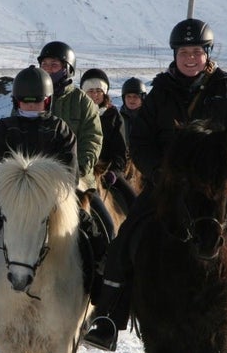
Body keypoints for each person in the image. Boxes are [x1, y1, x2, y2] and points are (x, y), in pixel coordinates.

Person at [82, 18, 227, 351]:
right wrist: (159, 171)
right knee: (126, 238)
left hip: (219, 191)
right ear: (174, 54)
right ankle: (109, 318)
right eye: (184, 52)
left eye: (196, 52)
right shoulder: (159, 94)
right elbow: (141, 141)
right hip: (167, 188)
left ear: (207, 54)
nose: (190, 58)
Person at [0, 65, 80, 307]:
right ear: (16, 101)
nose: (31, 107)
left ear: (48, 101)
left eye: (37, 102)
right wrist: (19, 189)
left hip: (51, 205)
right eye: (25, 102)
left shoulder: (61, 130)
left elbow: (70, 178)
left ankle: (102, 289)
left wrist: (42, 191)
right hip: (11, 201)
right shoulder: (4, 129)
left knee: (92, 231)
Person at [36, 41, 114, 240]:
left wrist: (77, 169)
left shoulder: (83, 103)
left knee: (106, 229)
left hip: (74, 181)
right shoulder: (30, 97)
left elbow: (92, 139)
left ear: (67, 69)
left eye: (54, 65)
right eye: (44, 65)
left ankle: (106, 267)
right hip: (34, 179)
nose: (48, 70)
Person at [79, 67, 136, 211]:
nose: (95, 95)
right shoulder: (78, 114)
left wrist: (114, 170)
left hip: (108, 170)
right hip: (82, 170)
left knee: (133, 200)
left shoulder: (113, 116)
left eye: (99, 91)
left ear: (105, 93)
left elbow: (121, 149)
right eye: (90, 91)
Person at [119, 77, 147, 142]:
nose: (131, 100)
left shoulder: (149, 118)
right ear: (124, 98)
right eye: (128, 96)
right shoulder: (117, 119)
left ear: (142, 98)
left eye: (135, 96)